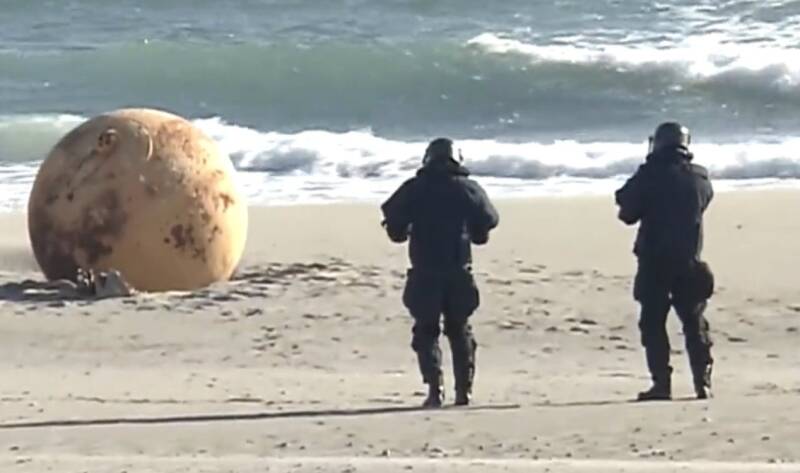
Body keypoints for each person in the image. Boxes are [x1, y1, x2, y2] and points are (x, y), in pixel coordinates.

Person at [381, 138, 499, 408]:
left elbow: (394, 227)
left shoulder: (414, 189)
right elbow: (488, 223)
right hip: (459, 272)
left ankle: (435, 389)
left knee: (426, 331)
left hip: (424, 273)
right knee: (460, 330)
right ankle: (463, 391)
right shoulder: (469, 189)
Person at [615, 122, 715, 401]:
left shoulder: (650, 175)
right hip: (689, 262)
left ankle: (662, 384)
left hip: (654, 263)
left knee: (653, 323)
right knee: (694, 323)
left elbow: (627, 212)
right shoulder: (699, 177)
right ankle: (702, 382)